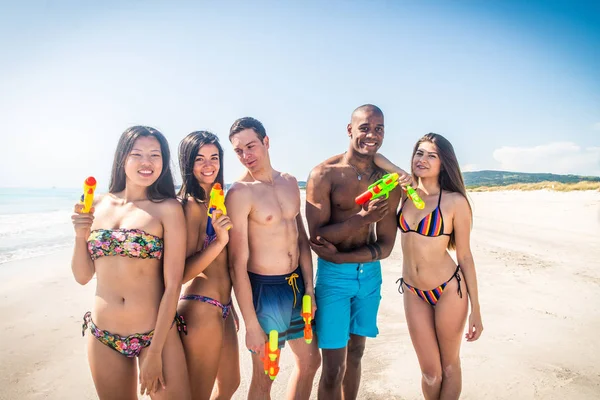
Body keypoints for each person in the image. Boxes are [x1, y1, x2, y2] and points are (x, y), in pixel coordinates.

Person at [71, 126, 191, 399]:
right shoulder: (98, 205)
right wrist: (80, 235)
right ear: (122, 158)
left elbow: (173, 286)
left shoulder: (168, 209)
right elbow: (82, 276)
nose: (146, 162)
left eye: (155, 155)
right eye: (137, 154)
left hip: (155, 335)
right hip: (103, 336)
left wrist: (157, 352)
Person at [305, 104, 411, 400]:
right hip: (333, 279)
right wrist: (362, 219)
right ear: (350, 129)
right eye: (364, 127)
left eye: (379, 129)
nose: (372, 135)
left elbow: (386, 245)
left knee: (357, 354)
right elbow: (316, 237)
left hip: (369, 276)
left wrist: (343, 255)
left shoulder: (387, 182)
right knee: (333, 367)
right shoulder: (324, 174)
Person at [375, 133, 483, 400]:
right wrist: (402, 173)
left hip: (449, 290)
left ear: (443, 163)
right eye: (419, 153)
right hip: (413, 291)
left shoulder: (455, 202)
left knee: (449, 365)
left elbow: (465, 257)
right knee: (430, 373)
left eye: (431, 155)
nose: (422, 160)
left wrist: (477, 310)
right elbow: (375, 157)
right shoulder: (405, 193)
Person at [225, 117, 321, 400]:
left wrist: (310, 290)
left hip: (296, 287)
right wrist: (251, 324)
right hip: (264, 290)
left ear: (266, 142)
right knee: (266, 373)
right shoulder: (240, 193)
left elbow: (301, 240)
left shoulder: (290, 182)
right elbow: (236, 264)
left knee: (310, 361)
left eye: (251, 146)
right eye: (239, 151)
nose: (246, 156)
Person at [176, 131, 240, 400]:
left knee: (230, 385)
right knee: (198, 394)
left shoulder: (216, 202)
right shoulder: (190, 206)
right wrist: (218, 242)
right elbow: (181, 273)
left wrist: (232, 305)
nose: (209, 165)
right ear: (187, 163)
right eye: (200, 158)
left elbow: (225, 265)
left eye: (214, 157)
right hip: (200, 306)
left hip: (223, 306)